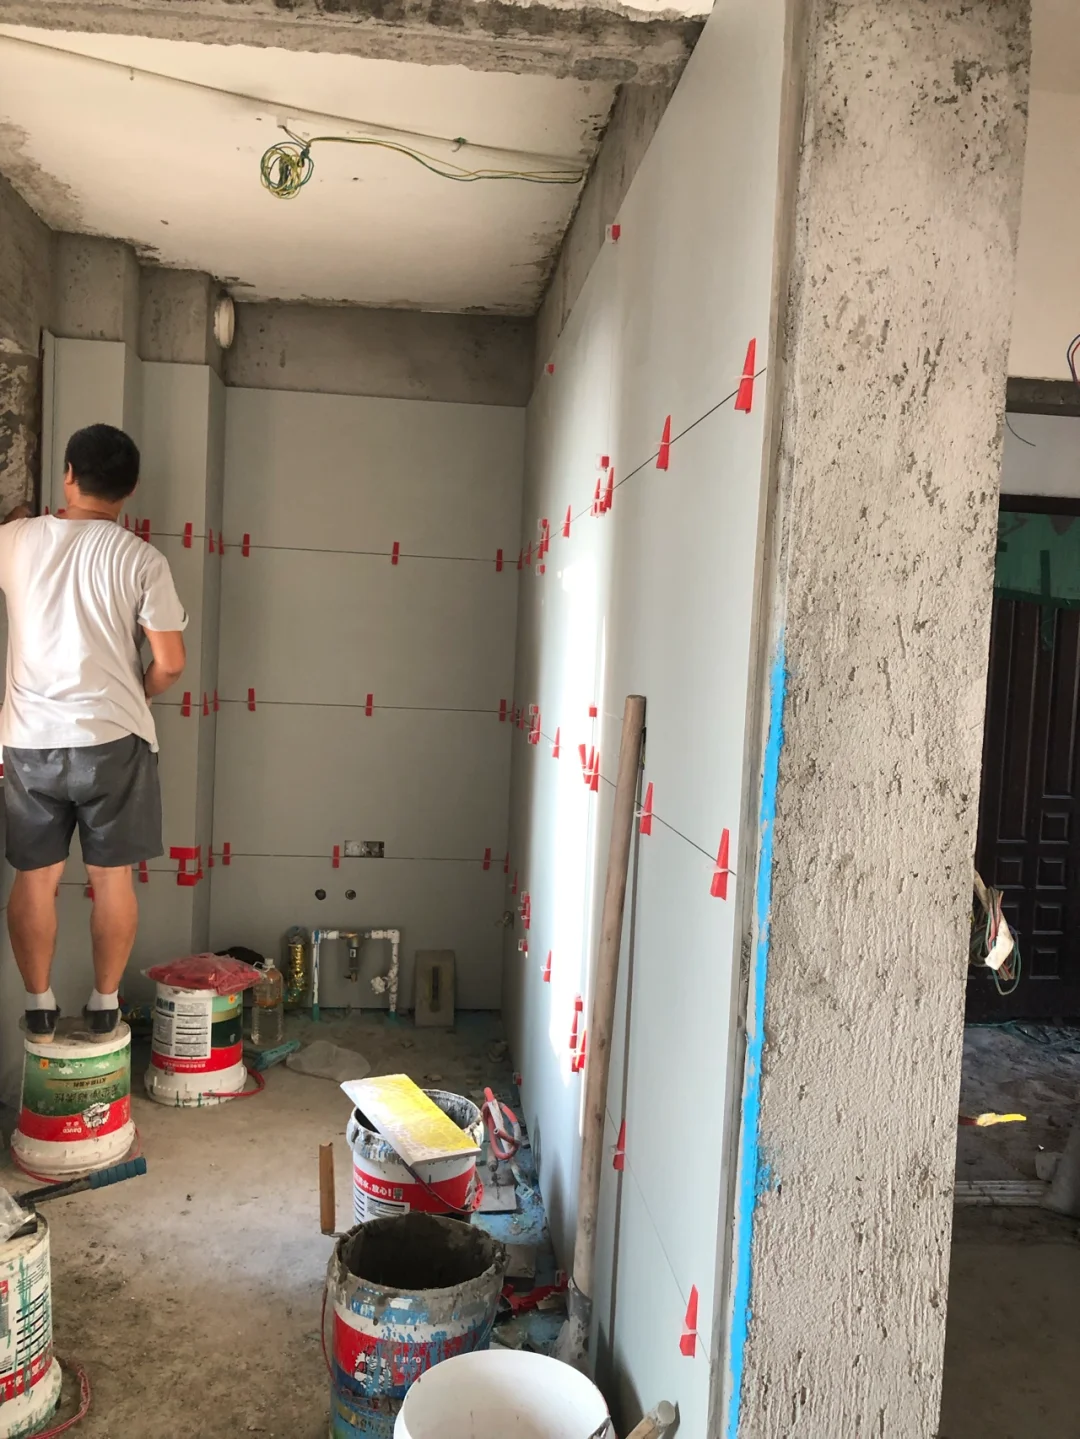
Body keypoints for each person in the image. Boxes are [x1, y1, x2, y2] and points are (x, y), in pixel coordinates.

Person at [0, 424, 187, 1040]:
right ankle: (105, 1006)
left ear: (69, 475)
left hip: (30, 740)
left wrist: (21, 519)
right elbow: (170, 663)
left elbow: (18, 531)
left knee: (36, 879)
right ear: (131, 489)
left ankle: (39, 1006)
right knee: (112, 880)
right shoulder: (141, 559)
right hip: (113, 740)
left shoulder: (15, 542)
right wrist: (141, 691)